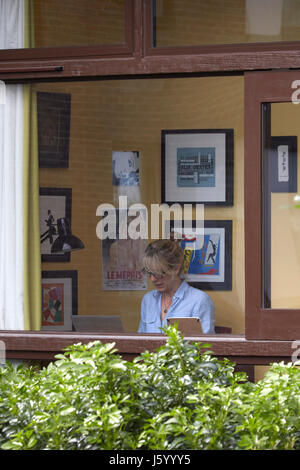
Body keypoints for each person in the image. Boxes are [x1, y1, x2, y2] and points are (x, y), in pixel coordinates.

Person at [138, 239, 215, 334]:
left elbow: (204, 344)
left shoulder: (199, 301)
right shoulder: (148, 300)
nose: (153, 279)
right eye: (149, 273)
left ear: (176, 268)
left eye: (158, 273)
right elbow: (141, 340)